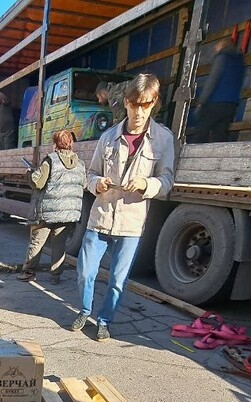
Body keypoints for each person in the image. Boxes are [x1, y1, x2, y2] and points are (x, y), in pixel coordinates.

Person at [75, 73, 176, 341]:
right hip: (101, 218)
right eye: (135, 104)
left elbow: (166, 181)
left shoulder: (163, 139)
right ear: (127, 103)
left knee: (118, 281)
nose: (139, 111)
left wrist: (146, 183)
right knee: (86, 271)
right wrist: (97, 184)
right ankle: (85, 311)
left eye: (146, 105)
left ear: (154, 104)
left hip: (131, 223)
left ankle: (104, 320)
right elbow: (90, 174)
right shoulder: (108, 137)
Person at [17, 129, 86, 285]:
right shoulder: (81, 164)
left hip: (46, 212)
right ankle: (55, 276)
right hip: (68, 213)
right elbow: (84, 184)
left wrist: (29, 173)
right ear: (71, 143)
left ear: (55, 144)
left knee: (37, 242)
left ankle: (29, 272)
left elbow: (38, 182)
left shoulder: (51, 160)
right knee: (59, 244)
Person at [190, 39, 245, 143]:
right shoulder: (240, 62)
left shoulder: (222, 58)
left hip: (215, 102)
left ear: (222, 47)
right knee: (220, 137)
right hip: (231, 105)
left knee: (201, 132)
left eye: (217, 47)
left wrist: (201, 102)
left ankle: (192, 158)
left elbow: (213, 80)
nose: (215, 49)